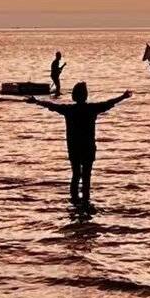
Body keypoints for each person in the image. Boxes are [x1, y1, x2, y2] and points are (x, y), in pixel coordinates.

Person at [33, 81, 130, 211]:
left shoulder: (69, 110)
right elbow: (108, 103)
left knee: (75, 175)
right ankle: (85, 202)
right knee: (86, 177)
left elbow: (51, 105)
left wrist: (36, 101)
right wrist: (122, 97)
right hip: (88, 148)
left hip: (74, 148)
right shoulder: (91, 109)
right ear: (85, 95)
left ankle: (74, 202)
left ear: (74, 96)